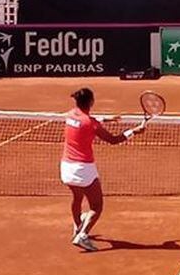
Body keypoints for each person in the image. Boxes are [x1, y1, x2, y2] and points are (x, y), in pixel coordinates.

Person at [61, 87, 146, 252]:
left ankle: (78, 226)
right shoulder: (90, 124)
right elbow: (113, 140)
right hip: (83, 169)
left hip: (66, 167)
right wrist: (133, 131)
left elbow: (88, 119)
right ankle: (82, 235)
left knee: (77, 197)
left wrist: (108, 119)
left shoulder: (70, 114)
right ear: (91, 102)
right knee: (96, 206)